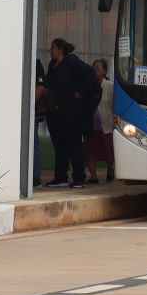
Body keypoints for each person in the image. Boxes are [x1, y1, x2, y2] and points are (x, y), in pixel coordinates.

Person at [43, 38, 99, 188]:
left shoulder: (72, 61)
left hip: (71, 111)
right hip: (55, 110)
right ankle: (60, 176)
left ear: (60, 50)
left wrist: (81, 92)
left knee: (74, 143)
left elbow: (90, 73)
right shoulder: (52, 65)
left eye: (53, 48)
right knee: (59, 144)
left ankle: (79, 177)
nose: (50, 50)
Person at [84, 58, 115, 184]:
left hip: (106, 125)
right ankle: (93, 177)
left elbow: (115, 106)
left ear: (104, 71)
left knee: (109, 152)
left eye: (98, 68)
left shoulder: (109, 86)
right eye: (93, 68)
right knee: (89, 152)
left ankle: (110, 170)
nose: (95, 70)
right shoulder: (87, 85)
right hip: (90, 124)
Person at [33, 57, 46, 188]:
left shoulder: (35, 63)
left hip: (32, 112)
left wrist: (30, 105)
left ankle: (35, 177)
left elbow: (40, 88)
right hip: (26, 111)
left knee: (32, 143)